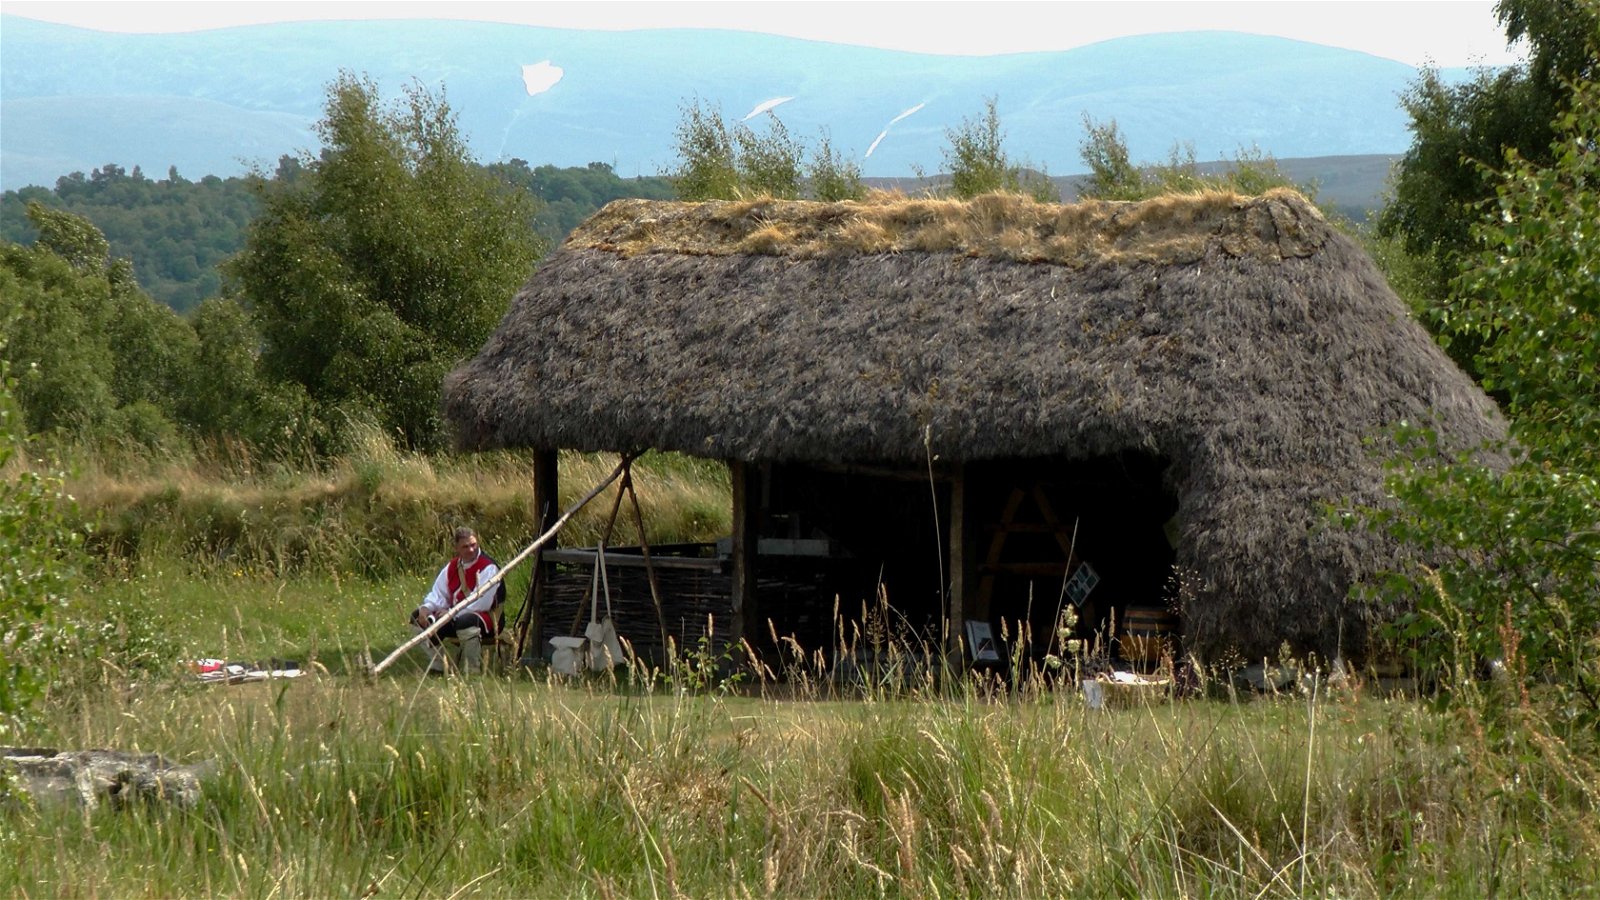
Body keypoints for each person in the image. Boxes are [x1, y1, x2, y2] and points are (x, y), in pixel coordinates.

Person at [411, 526, 503, 674]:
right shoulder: (452, 567)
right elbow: (439, 594)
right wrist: (426, 608)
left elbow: (481, 603)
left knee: (465, 621)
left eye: (473, 545)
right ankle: (439, 665)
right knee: (417, 617)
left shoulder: (489, 568)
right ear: (457, 548)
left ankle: (473, 670)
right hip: (453, 615)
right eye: (465, 546)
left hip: (486, 617)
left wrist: (451, 614)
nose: (471, 549)